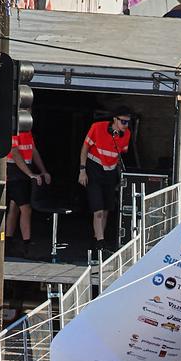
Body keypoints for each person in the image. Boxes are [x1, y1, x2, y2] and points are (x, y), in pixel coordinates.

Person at [78, 106, 133, 256]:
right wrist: (82, 170)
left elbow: (121, 155)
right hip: (94, 169)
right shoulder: (97, 127)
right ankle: (101, 244)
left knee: (107, 209)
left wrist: (120, 175)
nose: (125, 125)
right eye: (123, 121)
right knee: (98, 211)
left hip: (110, 173)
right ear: (114, 120)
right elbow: (84, 148)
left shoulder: (126, 134)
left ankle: (97, 240)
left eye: (128, 122)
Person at [5, 128, 50, 257]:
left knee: (15, 207)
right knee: (26, 208)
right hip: (14, 173)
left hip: (23, 172)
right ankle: (27, 244)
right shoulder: (14, 129)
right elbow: (14, 153)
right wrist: (30, 174)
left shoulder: (28, 131)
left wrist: (43, 171)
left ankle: (9, 242)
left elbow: (33, 151)